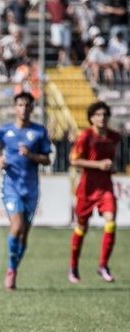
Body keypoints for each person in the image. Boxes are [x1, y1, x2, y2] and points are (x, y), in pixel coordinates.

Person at [0, 92, 52, 291]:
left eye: (27, 105)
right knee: (16, 226)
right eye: (20, 105)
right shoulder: (5, 130)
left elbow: (47, 159)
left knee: (24, 235)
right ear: (14, 107)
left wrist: (31, 155)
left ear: (32, 108)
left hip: (31, 189)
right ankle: (10, 270)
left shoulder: (39, 131)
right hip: (11, 186)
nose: (23, 109)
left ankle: (14, 268)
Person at [68, 101, 122, 284]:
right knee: (81, 227)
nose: (102, 118)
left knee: (111, 221)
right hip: (87, 188)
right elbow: (74, 160)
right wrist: (98, 165)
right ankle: (73, 266)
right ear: (91, 118)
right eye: (98, 115)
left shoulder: (114, 136)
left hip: (105, 186)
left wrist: (112, 167)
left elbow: (113, 158)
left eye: (105, 115)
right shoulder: (85, 136)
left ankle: (103, 265)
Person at [46, 0, 73, 67]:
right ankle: (61, 60)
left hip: (64, 24)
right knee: (58, 42)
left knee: (65, 45)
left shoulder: (64, 2)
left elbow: (69, 10)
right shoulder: (49, 3)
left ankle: (62, 62)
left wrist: (69, 11)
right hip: (56, 24)